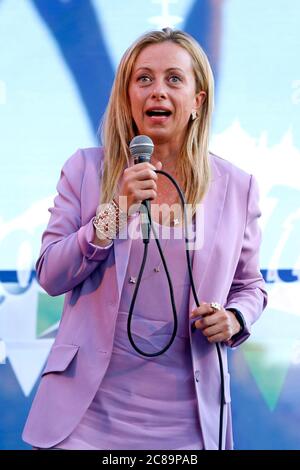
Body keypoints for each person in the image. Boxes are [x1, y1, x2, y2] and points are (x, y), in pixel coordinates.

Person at [22, 28, 267, 450]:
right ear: (128, 96)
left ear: (198, 101)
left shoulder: (237, 187)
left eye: (174, 79)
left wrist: (235, 317)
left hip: (188, 419)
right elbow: (50, 274)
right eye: (144, 79)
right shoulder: (85, 170)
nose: (157, 91)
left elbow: (251, 286)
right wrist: (116, 210)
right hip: (86, 416)